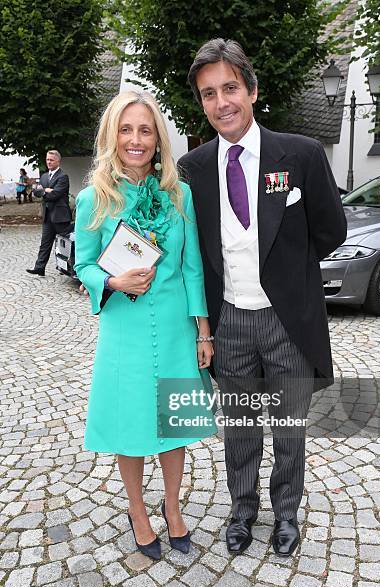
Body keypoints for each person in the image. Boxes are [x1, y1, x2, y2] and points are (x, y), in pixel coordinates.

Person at [178, 38, 347, 557]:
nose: (221, 102)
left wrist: (288, 276)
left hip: (286, 321)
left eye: (230, 87)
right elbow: (196, 252)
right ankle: (242, 510)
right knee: (241, 428)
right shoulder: (195, 168)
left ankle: (287, 513)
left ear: (251, 90)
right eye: (209, 94)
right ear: (202, 103)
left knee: (289, 428)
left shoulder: (300, 154)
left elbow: (331, 230)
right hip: (230, 322)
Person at [74, 89, 216, 560]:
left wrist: (203, 329)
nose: (136, 139)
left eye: (146, 130)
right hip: (126, 331)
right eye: (127, 129)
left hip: (176, 328)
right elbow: (85, 265)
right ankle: (138, 510)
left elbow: (193, 265)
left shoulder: (180, 195)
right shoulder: (94, 198)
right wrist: (112, 279)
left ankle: (173, 507)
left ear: (158, 139)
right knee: (132, 423)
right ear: (112, 136)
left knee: (174, 424)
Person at [26, 150, 71, 276]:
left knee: (64, 243)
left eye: (51, 160)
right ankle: (39, 268)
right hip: (48, 216)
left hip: (60, 216)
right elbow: (36, 192)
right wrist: (46, 190)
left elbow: (55, 195)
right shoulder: (45, 176)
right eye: (47, 159)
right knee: (45, 243)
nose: (49, 162)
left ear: (58, 161)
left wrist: (44, 191)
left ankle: (65, 267)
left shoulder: (63, 176)